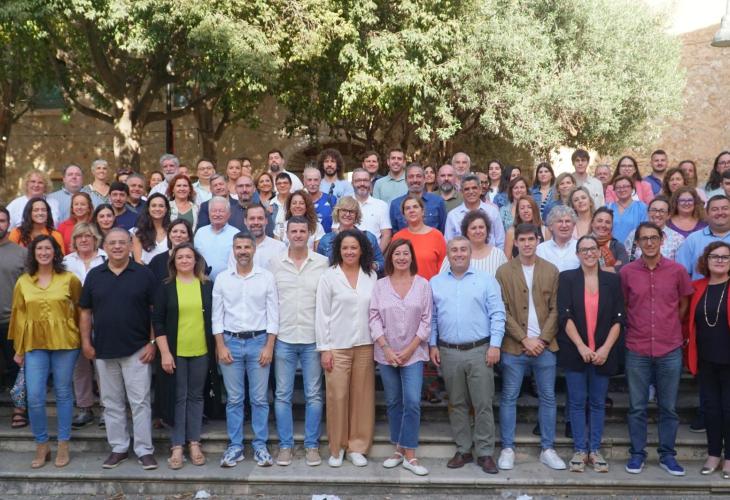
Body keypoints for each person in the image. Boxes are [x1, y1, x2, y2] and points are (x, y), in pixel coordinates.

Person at [79, 227, 158, 470]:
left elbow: (155, 311)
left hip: (138, 350)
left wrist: (152, 342)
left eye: (122, 242)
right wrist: (86, 342)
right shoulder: (95, 275)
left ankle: (144, 450)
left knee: (140, 402)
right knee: (111, 402)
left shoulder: (144, 274)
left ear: (130, 245)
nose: (117, 247)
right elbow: (85, 312)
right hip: (103, 349)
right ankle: (119, 448)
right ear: (104, 246)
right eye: (112, 243)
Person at [620, 222, 693, 476]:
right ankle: (637, 454)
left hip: (669, 347)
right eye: (644, 239)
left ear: (662, 240)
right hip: (637, 346)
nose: (649, 243)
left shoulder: (677, 271)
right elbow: (625, 305)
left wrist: (668, 326)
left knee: (668, 407)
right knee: (637, 406)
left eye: (654, 238)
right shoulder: (627, 272)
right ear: (637, 243)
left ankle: (667, 455)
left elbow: (683, 304)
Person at [430, 237, 505, 474]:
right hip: (449, 351)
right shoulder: (436, 282)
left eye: (463, 249)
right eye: (454, 250)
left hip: (480, 351)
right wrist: (432, 344)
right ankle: (463, 449)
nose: (459, 254)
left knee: (483, 403)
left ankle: (485, 452)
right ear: (448, 255)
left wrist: (495, 345)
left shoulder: (486, 280)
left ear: (470, 253)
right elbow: (432, 317)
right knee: (456, 403)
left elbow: (498, 314)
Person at [495, 223, 566, 471]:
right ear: (515, 242)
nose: (527, 244)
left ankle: (548, 448)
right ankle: (507, 448)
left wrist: (542, 340)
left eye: (531, 239)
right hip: (514, 347)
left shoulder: (551, 270)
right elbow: (502, 310)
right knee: (509, 396)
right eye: (522, 239)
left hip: (545, 346)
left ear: (538, 241)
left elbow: (557, 309)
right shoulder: (504, 272)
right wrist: (524, 339)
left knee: (548, 397)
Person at [8, 235, 81, 468]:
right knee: (35, 396)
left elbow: (80, 311)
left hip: (65, 342)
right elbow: (18, 316)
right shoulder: (23, 281)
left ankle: (63, 443)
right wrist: (18, 348)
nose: (43, 252)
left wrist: (83, 339)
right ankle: (42, 445)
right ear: (33, 253)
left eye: (48, 248)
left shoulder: (69, 278)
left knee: (63, 393)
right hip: (34, 343)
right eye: (39, 248)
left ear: (55, 252)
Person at [557, 235, 625, 473]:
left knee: (597, 403)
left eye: (593, 249)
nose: (588, 253)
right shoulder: (567, 278)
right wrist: (581, 346)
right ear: (577, 254)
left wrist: (605, 349)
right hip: (576, 351)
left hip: (603, 353)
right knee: (576, 403)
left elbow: (619, 318)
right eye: (583, 249)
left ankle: (594, 450)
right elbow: (564, 316)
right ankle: (580, 450)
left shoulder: (612, 280)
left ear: (599, 252)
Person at [213, 232, 279, 468]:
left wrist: (269, 346)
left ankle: (260, 445)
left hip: (258, 342)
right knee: (234, 399)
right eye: (238, 247)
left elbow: (273, 314)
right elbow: (216, 316)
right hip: (230, 343)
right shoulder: (222, 279)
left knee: (259, 399)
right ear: (233, 250)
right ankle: (235, 446)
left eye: (246, 247)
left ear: (254, 250)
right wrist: (220, 345)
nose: (242, 251)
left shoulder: (266, 278)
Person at [268, 217, 329, 467]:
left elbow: (326, 303)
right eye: (293, 231)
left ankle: (312, 445)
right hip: (284, 337)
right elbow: (271, 302)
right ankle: (286, 446)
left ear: (309, 233)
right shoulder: (275, 263)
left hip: (313, 338)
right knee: (282, 395)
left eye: (302, 231)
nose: (298, 235)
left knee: (313, 394)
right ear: (287, 233)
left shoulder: (322, 263)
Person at [369, 239, 432, 476]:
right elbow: (374, 318)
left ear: (411, 257)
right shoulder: (380, 285)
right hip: (386, 353)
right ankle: (398, 449)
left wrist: (409, 349)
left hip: (413, 354)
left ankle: (410, 455)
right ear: (390, 258)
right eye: (397, 254)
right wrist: (385, 348)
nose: (402, 258)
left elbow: (426, 321)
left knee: (412, 401)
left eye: (406, 253)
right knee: (394, 401)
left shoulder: (423, 285)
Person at [315, 229, 377, 467]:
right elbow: (322, 314)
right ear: (338, 250)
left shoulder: (370, 275)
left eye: (354, 247)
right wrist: (325, 349)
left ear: (361, 250)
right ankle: (337, 448)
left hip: (365, 345)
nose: (350, 252)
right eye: (345, 248)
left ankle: (357, 447)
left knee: (362, 397)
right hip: (337, 346)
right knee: (337, 396)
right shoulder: (329, 276)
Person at [152, 243, 214, 469]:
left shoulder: (206, 285)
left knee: (196, 397)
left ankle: (194, 443)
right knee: (178, 398)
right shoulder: (166, 287)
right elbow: (158, 322)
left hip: (201, 350)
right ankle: (177, 445)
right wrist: (165, 353)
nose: (185, 260)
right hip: (175, 352)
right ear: (174, 262)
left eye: (189, 257)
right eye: (180, 257)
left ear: (196, 260)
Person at [685, 242, 730, 477]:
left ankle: (729, 458)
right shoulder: (696, 287)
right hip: (705, 359)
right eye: (715, 256)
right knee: (711, 410)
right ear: (707, 260)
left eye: (725, 257)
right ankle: (713, 454)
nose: (720, 260)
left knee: (729, 410)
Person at [63, 223, 106, 429]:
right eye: (79, 236)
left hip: (104, 317)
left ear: (95, 239)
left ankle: (107, 408)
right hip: (74, 319)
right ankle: (84, 407)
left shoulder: (105, 258)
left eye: (88, 236)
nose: (84, 240)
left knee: (103, 366)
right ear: (74, 240)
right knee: (80, 366)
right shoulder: (66, 262)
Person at [316, 197, 384, 272]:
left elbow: (381, 263)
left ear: (356, 215)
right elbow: (319, 266)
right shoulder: (326, 240)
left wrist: (370, 266)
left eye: (352, 211)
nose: (348, 214)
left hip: (361, 278)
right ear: (337, 212)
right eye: (344, 210)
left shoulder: (368, 237)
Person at [0, 207, 26, 399]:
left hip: (11, 322)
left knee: (15, 369)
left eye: (2, 221)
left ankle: (19, 407)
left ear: (9, 224)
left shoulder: (22, 254)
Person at [444, 174, 505, 250]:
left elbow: (501, 241)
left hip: (491, 257)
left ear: (480, 190)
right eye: (467, 189)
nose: (471, 191)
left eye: (474, 188)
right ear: (461, 192)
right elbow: (448, 244)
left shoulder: (492, 212)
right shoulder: (453, 215)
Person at [392, 196, 447, 280]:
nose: (411, 210)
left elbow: (444, 267)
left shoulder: (437, 236)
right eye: (407, 208)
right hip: (404, 286)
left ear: (423, 211)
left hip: (431, 285)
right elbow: (392, 266)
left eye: (415, 207)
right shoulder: (398, 237)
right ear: (404, 215)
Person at [677, 195, 730, 280]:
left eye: (725, 208)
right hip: (700, 288)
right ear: (707, 213)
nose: (720, 212)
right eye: (714, 209)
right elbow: (682, 274)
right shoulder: (693, 239)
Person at [441, 211, 507, 276]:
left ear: (487, 230)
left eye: (481, 227)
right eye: (473, 228)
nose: (478, 231)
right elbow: (441, 279)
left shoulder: (498, 255)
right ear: (466, 232)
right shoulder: (455, 255)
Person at [389, 164, 447, 233]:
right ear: (406, 180)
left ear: (424, 179)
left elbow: (443, 231)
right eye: (411, 177)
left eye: (418, 176)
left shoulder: (438, 202)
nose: (415, 180)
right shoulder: (395, 205)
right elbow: (394, 234)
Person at [625, 196, 685, 261]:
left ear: (668, 215)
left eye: (662, 211)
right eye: (654, 210)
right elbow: (626, 260)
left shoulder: (678, 239)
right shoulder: (635, 234)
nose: (657, 214)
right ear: (648, 212)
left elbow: (680, 265)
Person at [227, 204, 286, 269]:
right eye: (252, 218)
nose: (256, 222)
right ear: (245, 221)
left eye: (260, 218)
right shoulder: (237, 250)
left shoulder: (279, 248)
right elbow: (232, 273)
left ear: (266, 221)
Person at [194, 196, 240, 280]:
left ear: (229, 214)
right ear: (209, 213)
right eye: (214, 211)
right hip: (203, 281)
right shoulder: (200, 233)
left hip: (229, 281)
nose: (217, 214)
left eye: (221, 211)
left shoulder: (236, 234)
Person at [351, 168, 392, 251]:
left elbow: (386, 235)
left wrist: (376, 256)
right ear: (352, 183)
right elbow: (336, 230)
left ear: (370, 183)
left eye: (365, 180)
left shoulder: (381, 205)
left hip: (374, 255)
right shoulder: (343, 203)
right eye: (358, 180)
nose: (362, 184)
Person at [536, 205, 580, 272]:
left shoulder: (580, 247)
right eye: (560, 221)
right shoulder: (540, 250)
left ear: (573, 225)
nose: (564, 225)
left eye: (567, 221)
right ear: (551, 226)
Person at [606, 176, 648, 243]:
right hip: (611, 247)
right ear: (614, 190)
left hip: (634, 247)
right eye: (618, 187)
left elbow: (645, 230)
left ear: (632, 188)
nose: (622, 189)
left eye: (625, 186)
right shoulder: (608, 207)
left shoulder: (641, 207)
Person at [132, 193, 170, 265]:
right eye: (153, 206)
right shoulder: (138, 232)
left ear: (166, 209)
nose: (157, 209)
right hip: (145, 270)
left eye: (161, 206)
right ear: (148, 209)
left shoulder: (173, 231)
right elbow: (138, 262)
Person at [590, 207, 629, 273]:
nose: (603, 225)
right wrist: (613, 268)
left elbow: (624, 269)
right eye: (599, 221)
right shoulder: (583, 244)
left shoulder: (618, 246)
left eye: (607, 222)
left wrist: (595, 269)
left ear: (612, 226)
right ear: (592, 223)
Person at [304, 166, 337, 233]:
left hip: (328, 238)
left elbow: (337, 224)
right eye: (309, 180)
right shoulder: (300, 201)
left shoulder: (331, 199)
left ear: (320, 181)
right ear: (304, 182)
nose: (312, 184)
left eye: (316, 180)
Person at [271, 172, 293, 239]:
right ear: (276, 186)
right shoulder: (270, 204)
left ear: (291, 185)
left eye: (285, 183)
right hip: (275, 240)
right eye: (279, 183)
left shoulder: (297, 202)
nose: (282, 185)